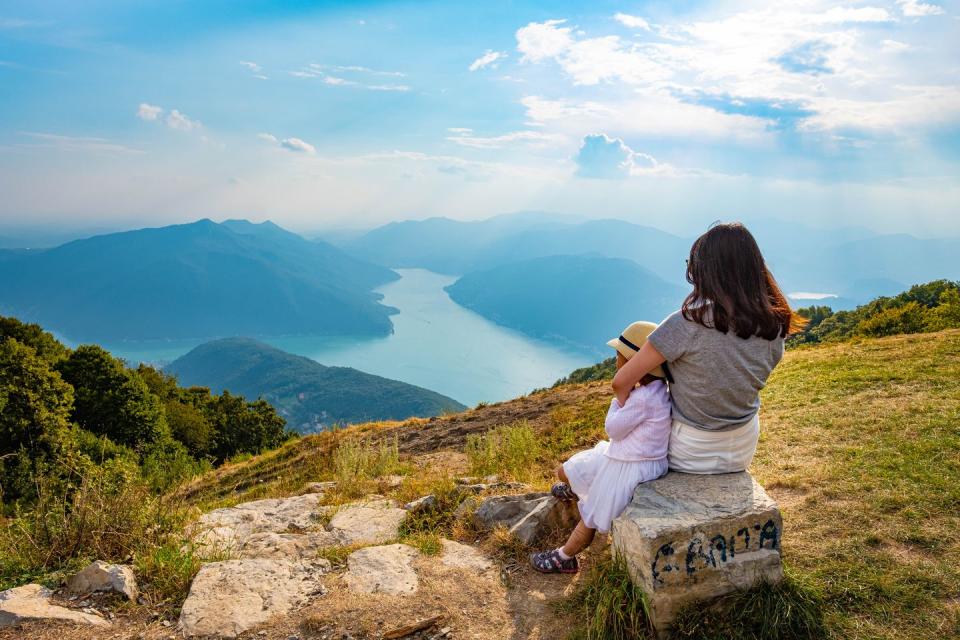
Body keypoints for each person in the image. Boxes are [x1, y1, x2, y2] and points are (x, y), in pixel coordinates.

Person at [612, 222, 806, 475]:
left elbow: (621, 383)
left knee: (603, 458)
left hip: (689, 451)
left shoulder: (688, 323)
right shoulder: (776, 323)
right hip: (742, 446)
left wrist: (629, 415)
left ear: (706, 271)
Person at [529, 321, 671, 574]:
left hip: (629, 468)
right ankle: (576, 491)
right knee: (568, 470)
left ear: (631, 363)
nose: (615, 362)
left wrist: (619, 399)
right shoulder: (658, 390)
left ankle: (565, 557)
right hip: (628, 457)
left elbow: (613, 429)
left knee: (592, 514)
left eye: (618, 357)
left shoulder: (643, 399)